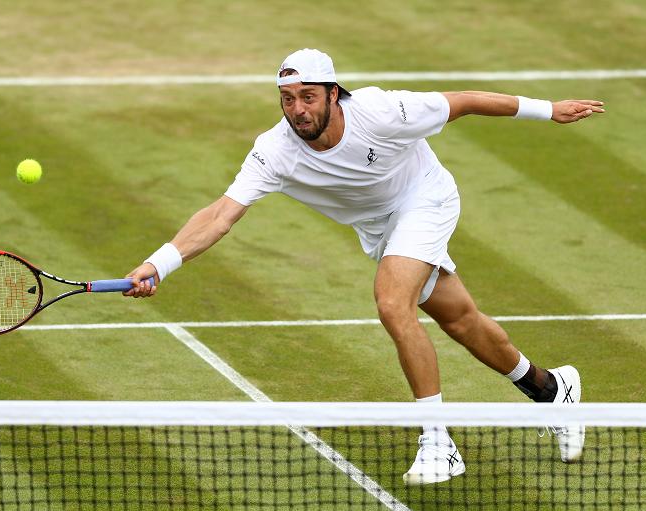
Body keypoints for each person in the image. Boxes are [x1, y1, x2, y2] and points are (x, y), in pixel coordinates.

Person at [124, 48, 604, 485]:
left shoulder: (382, 111)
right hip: (380, 229)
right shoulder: (274, 150)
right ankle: (550, 389)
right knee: (460, 320)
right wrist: (158, 264)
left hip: (426, 200)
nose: (298, 110)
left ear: (334, 93)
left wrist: (549, 110)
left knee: (393, 304)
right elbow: (219, 214)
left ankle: (438, 442)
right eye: (287, 99)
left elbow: (464, 101)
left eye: (308, 97)